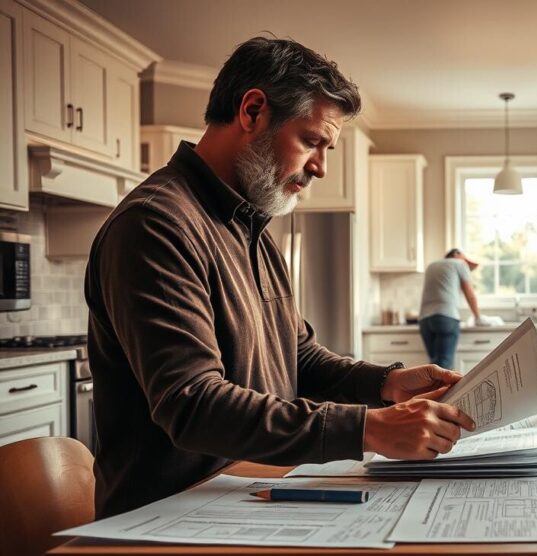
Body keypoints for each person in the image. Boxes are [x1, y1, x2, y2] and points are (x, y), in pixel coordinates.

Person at [85, 37, 475, 519]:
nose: (321, 167)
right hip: (164, 521)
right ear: (252, 111)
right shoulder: (156, 223)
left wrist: (387, 384)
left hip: (245, 493)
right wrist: (368, 429)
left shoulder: (251, 227)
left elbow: (297, 356)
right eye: (312, 141)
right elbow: (194, 403)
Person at [418, 249, 495, 369]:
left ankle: (430, 388)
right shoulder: (459, 263)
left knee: (433, 367)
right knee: (443, 368)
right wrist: (478, 317)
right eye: (464, 257)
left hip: (425, 320)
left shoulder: (431, 266)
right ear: (456, 254)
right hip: (446, 318)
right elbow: (469, 294)